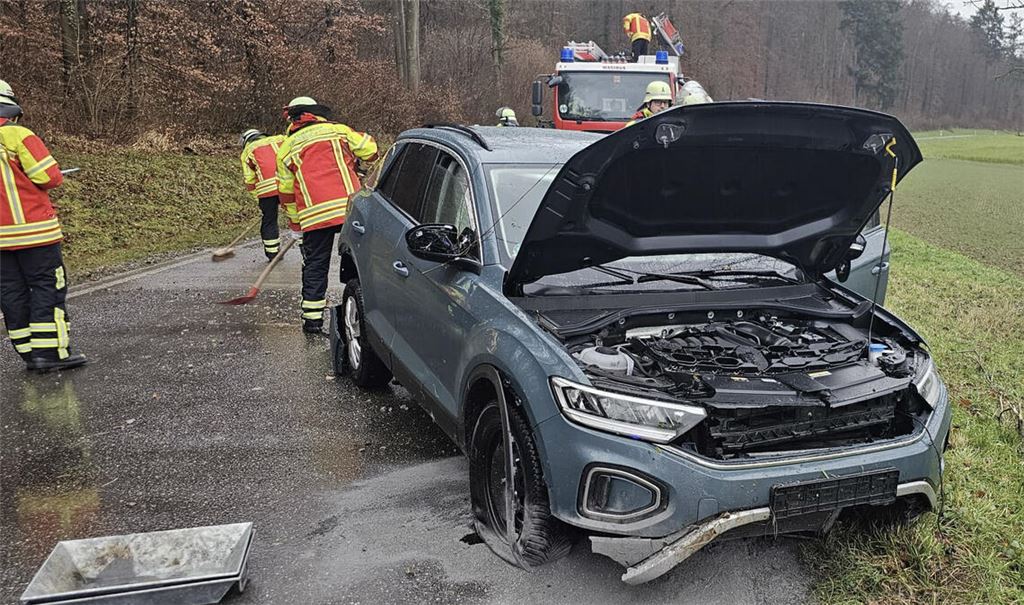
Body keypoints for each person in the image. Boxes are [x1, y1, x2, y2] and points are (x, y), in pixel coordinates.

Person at [0, 79, 87, 372]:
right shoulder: (18, 136)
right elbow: (49, 176)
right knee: (46, 287)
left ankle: (27, 353)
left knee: (11, 292)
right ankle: (50, 354)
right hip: (35, 233)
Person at [276, 97, 378, 333]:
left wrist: (295, 225)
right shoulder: (338, 131)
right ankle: (372, 314)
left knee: (315, 265)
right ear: (317, 113)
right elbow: (371, 150)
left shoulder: (286, 148)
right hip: (348, 210)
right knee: (364, 261)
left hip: (313, 216)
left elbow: (287, 193)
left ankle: (312, 322)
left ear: (293, 120)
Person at [239, 129, 286, 260]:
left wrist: (259, 199)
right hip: (287, 184)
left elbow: (250, 180)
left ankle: (273, 254)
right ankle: (306, 250)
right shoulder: (281, 139)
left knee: (269, 221)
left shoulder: (247, 151)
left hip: (266, 191)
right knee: (297, 218)